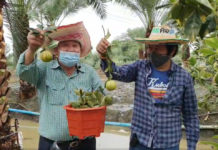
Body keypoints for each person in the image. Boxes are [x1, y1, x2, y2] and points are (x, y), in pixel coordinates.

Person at [96, 26, 200, 150]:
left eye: (158, 48)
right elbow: (115, 73)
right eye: (150, 47)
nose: (152, 51)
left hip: (168, 144)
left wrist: (191, 146)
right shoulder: (139, 67)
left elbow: (191, 115)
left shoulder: (184, 77)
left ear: (172, 51)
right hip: (140, 142)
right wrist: (104, 56)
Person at [16, 22, 102, 150]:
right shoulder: (44, 68)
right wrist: (32, 49)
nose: (71, 49)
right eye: (65, 45)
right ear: (57, 50)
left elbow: (102, 97)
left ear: (80, 51)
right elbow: (24, 72)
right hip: (51, 143)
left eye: (75, 46)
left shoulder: (89, 73)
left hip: (85, 143)